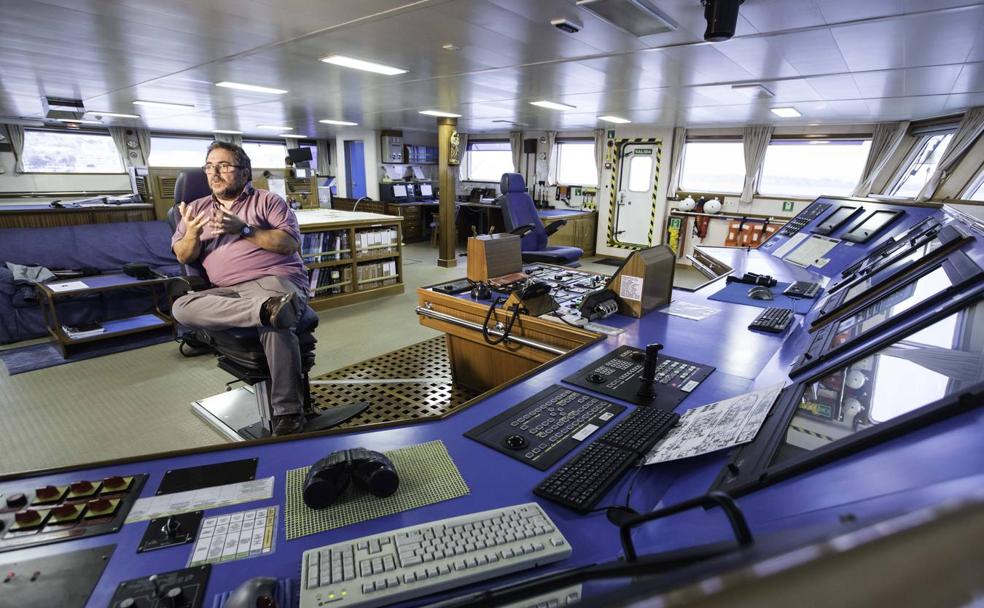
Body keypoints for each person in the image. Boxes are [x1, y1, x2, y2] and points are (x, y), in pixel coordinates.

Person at [171, 141, 309, 436]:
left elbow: (289, 245)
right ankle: (266, 311)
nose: (214, 173)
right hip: (226, 291)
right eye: (209, 167)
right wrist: (193, 233)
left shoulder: (268, 202)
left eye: (223, 166)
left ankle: (288, 414)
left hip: (273, 279)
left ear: (245, 172)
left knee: (275, 324)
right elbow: (183, 255)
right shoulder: (194, 210)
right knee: (180, 307)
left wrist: (243, 229)